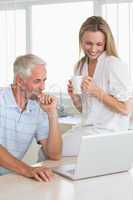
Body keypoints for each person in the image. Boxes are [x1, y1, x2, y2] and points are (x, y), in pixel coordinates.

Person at [62, 16, 132, 156]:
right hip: (88, 129)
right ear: (81, 42)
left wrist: (96, 91)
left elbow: (125, 109)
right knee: (47, 151)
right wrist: (75, 98)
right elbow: (86, 111)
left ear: (106, 43)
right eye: (88, 43)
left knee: (51, 150)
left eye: (99, 44)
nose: (93, 49)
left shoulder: (114, 65)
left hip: (107, 133)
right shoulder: (80, 66)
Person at [0, 54, 62, 181]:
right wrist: (28, 170)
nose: (43, 87)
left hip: (9, 179)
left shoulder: (38, 108)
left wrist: (52, 114)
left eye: (44, 80)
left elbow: (54, 154)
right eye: (37, 81)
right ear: (19, 81)